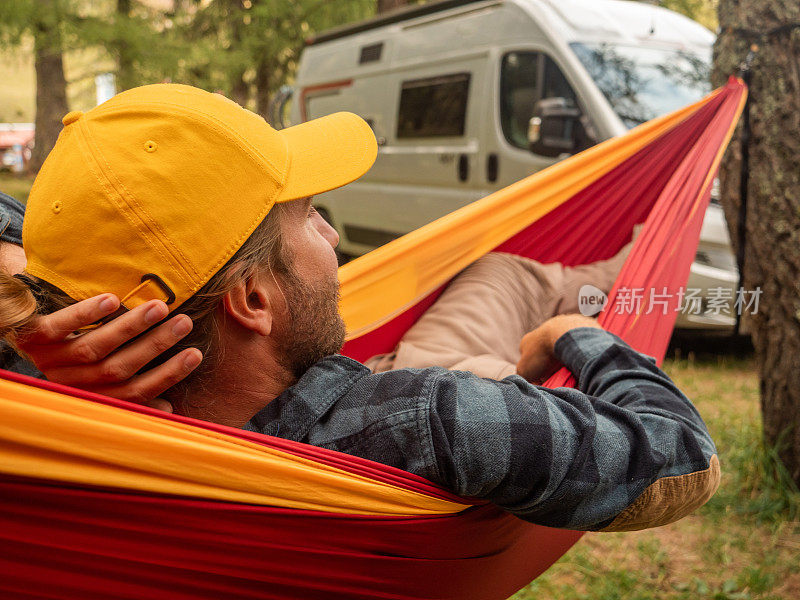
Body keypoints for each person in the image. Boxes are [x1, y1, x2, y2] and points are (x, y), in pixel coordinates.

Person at [0, 83, 719, 532]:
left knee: (502, 269)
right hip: (446, 386)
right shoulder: (432, 418)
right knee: (519, 278)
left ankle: (614, 269)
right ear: (254, 298)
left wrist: (48, 382)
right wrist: (581, 337)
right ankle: (625, 273)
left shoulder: (50, 446)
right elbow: (682, 456)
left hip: (358, 381)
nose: (332, 234)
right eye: (309, 215)